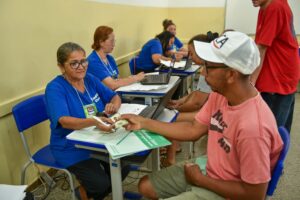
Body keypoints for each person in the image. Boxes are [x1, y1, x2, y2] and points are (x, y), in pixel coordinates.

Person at [121, 31, 283, 200]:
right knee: (145, 186)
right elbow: (193, 129)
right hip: (212, 167)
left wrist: (201, 180)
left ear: (231, 74)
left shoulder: (254, 127)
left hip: (228, 189)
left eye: (209, 67)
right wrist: (144, 122)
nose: (203, 73)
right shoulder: (221, 94)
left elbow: (254, 195)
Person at [45, 42, 129, 200]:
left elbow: (114, 95)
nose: (81, 66)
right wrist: (95, 121)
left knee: (124, 166)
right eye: (74, 63)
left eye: (83, 61)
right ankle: (83, 193)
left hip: (97, 138)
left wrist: (113, 106)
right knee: (100, 184)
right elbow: (64, 121)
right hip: (69, 146)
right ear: (61, 67)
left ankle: (98, 192)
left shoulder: (89, 78)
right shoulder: (55, 88)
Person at [162, 33, 217, 167]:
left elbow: (196, 103)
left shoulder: (207, 70)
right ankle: (172, 150)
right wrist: (180, 102)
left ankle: (170, 159)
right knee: (173, 114)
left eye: (192, 53)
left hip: (209, 114)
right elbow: (197, 92)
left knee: (170, 119)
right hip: (209, 110)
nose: (190, 57)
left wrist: (174, 109)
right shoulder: (207, 66)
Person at [251, 0, 300, 133]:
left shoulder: (275, 7)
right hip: (280, 73)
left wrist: (250, 84)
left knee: (271, 134)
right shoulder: (265, 6)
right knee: (277, 131)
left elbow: (261, 48)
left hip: (277, 76)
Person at [87, 26, 145, 90]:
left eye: (114, 41)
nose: (114, 44)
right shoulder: (93, 62)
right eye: (111, 41)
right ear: (101, 42)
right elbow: (112, 85)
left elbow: (117, 80)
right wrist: (135, 78)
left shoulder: (110, 58)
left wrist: (130, 79)